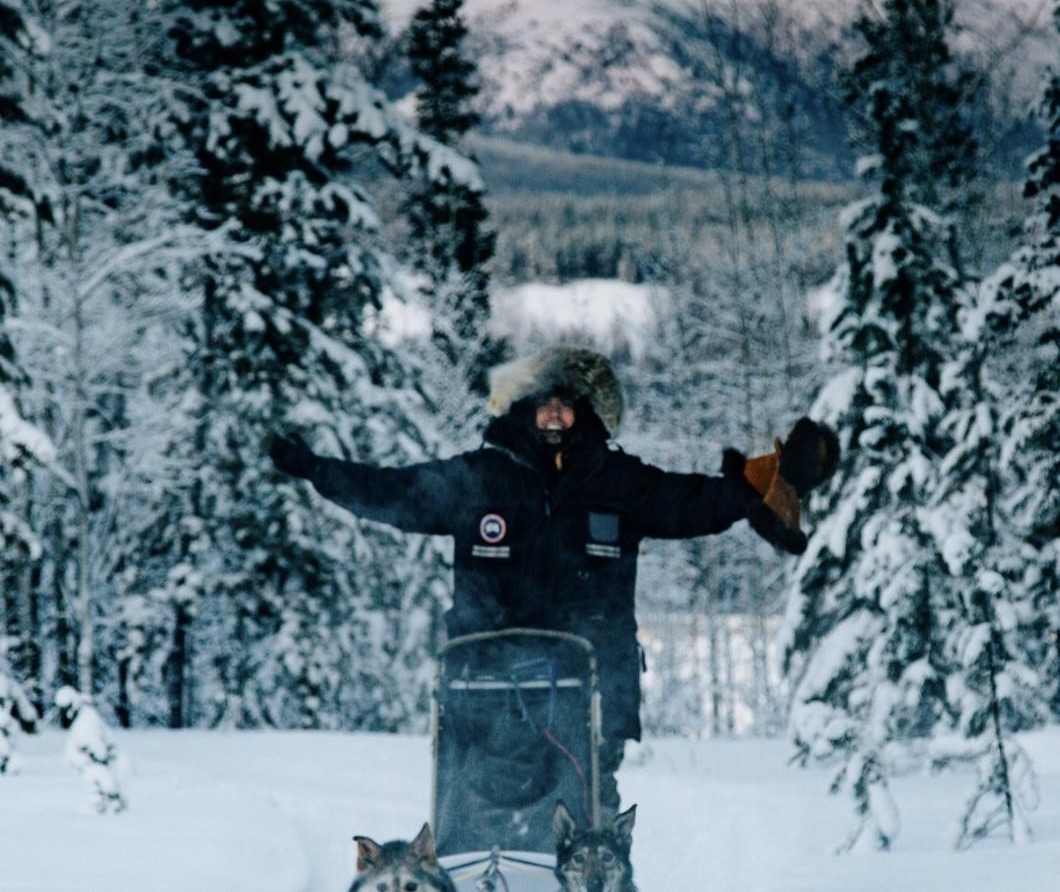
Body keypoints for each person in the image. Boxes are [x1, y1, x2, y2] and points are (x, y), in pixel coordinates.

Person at [269, 344, 836, 812]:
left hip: (593, 687)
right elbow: (394, 493)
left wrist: (766, 480)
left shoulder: (619, 480)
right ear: (521, 408)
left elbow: (694, 502)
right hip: (485, 683)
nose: (556, 416)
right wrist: (319, 470)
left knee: (592, 814)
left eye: (568, 405)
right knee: (470, 807)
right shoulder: (479, 478)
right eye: (545, 404)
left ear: (588, 413)